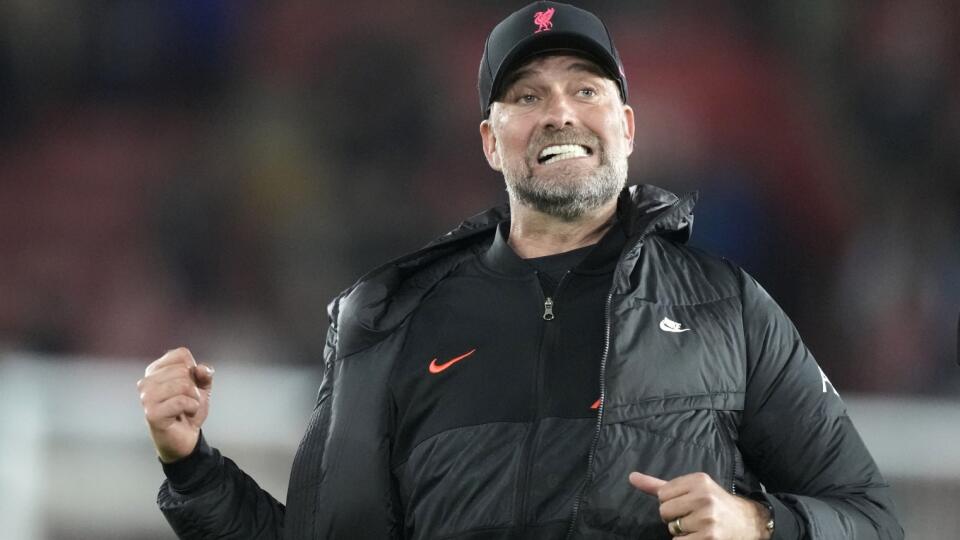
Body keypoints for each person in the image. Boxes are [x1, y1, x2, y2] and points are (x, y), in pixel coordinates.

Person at [136, 2, 904, 538]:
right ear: (489, 142)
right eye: (526, 95)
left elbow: (870, 517)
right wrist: (192, 467)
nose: (560, 111)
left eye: (585, 88)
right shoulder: (390, 320)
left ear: (627, 127)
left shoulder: (728, 310)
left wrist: (759, 522)